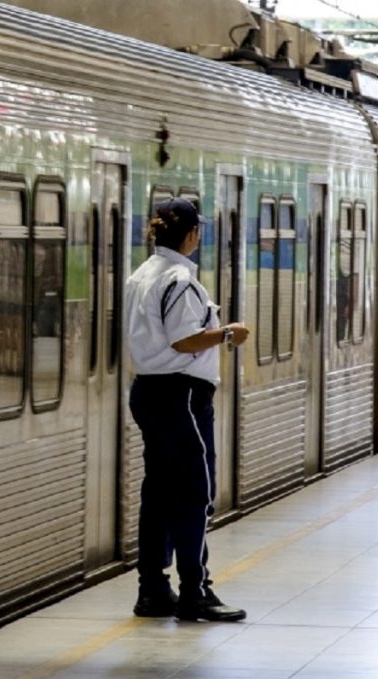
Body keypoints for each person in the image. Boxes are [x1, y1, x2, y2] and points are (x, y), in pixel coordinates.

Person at [124, 196, 249, 622]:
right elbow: (183, 340)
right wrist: (227, 334)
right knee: (195, 493)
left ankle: (153, 590)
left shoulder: (139, 276)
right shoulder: (180, 281)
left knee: (158, 492)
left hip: (149, 392)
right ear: (193, 234)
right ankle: (196, 592)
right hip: (182, 398)